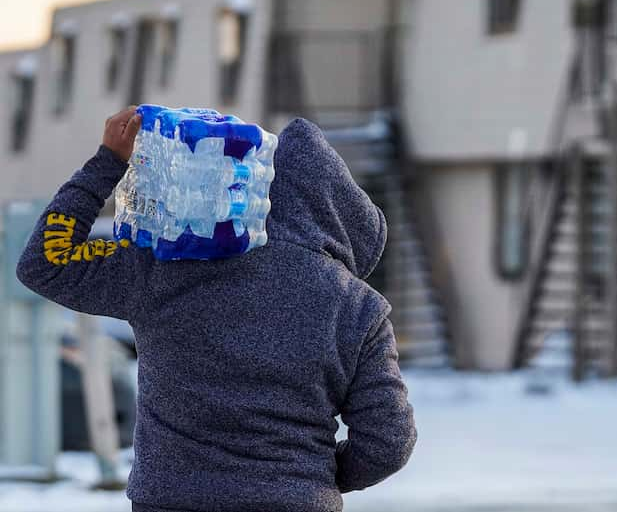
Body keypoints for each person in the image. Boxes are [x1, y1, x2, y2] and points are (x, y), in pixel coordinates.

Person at [16, 107, 416, 512]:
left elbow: (44, 263)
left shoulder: (169, 264)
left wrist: (107, 163)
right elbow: (388, 442)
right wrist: (306, 477)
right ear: (341, 216)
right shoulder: (359, 307)